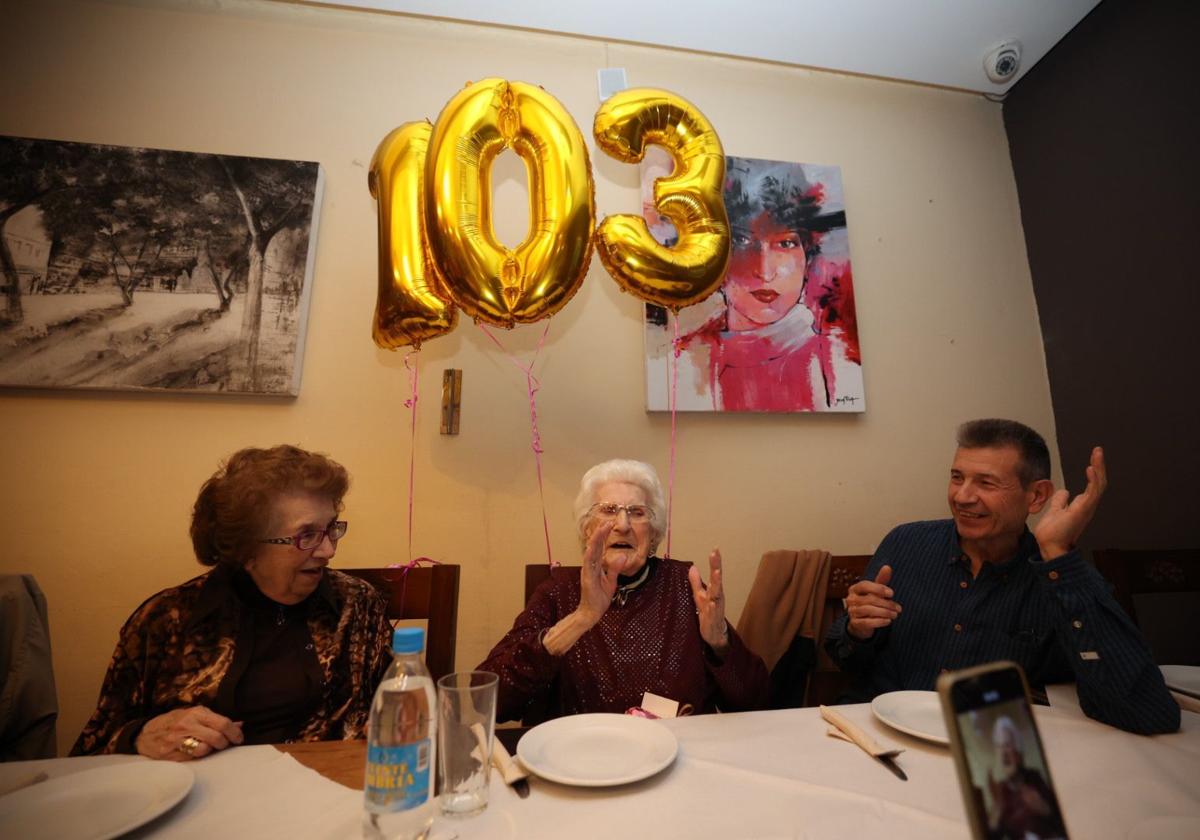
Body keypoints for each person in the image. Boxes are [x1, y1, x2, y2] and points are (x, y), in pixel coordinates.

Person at [824, 418, 1179, 735]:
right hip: (877, 733)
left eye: (986, 483)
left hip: (991, 747)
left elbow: (1145, 712)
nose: (962, 496)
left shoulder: (1059, 578)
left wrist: (1057, 554)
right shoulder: (906, 543)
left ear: (1036, 495)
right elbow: (850, 661)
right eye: (957, 477)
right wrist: (858, 631)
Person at [71, 445, 394, 759]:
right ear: (246, 548)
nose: (328, 551)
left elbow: (399, 703)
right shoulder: (167, 620)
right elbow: (93, 750)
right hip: (202, 797)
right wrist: (141, 736)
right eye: (306, 535)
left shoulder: (357, 603)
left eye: (331, 528)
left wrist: (391, 723)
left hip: (330, 790)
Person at [479, 459, 769, 723]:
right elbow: (485, 703)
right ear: (587, 529)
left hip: (677, 764)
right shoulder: (558, 591)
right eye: (608, 510)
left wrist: (720, 644)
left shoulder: (685, 587)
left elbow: (756, 703)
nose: (623, 524)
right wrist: (579, 619)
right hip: (582, 765)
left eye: (637, 512)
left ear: (653, 534)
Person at [653, 157, 862, 412]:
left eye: (785, 243)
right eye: (741, 241)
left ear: (807, 255)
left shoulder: (840, 364)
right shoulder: (682, 362)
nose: (764, 271)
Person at [985, 716, 1067, 840]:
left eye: (1007, 745)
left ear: (1018, 751)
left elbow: (1061, 822)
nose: (1003, 753)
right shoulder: (1000, 791)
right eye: (999, 746)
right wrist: (995, 816)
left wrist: (1043, 808)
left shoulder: (1034, 777)